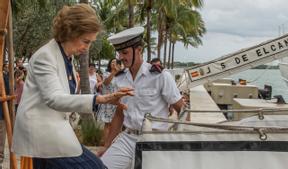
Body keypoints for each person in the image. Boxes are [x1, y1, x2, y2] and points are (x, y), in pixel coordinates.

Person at [12, 4, 133, 169]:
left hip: (56, 134)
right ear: (71, 32)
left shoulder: (66, 57)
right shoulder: (45, 57)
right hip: (43, 137)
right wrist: (100, 99)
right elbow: (54, 99)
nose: (88, 47)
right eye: (86, 41)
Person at [98, 26, 185, 169]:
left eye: (125, 52)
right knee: (101, 166)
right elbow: (119, 114)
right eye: (119, 53)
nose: (121, 57)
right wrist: (106, 145)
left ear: (139, 50)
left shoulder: (160, 76)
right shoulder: (119, 79)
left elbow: (181, 108)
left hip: (154, 140)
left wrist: (180, 142)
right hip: (128, 137)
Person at [96, 58, 121, 144]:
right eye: (112, 62)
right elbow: (106, 83)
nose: (113, 63)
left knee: (117, 124)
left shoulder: (121, 75)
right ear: (110, 64)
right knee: (108, 124)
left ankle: (115, 143)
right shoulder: (106, 73)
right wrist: (113, 72)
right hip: (108, 101)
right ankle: (106, 143)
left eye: (116, 62)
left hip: (117, 102)